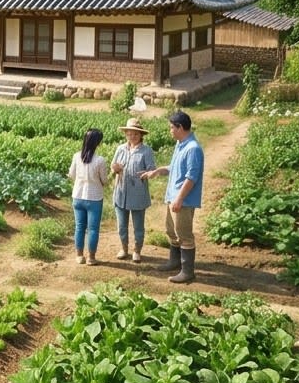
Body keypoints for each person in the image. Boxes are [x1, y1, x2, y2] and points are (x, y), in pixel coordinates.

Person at [140, 111, 204, 283]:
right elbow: (175, 166)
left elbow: (192, 177)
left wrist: (180, 198)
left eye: (171, 127)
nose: (170, 131)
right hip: (173, 196)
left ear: (180, 127)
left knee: (184, 234)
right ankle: (174, 262)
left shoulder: (193, 149)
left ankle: (187, 271)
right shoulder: (180, 144)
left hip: (183, 200)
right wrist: (158, 171)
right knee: (171, 231)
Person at [110, 118, 156, 263]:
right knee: (121, 225)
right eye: (129, 134)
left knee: (138, 226)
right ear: (126, 134)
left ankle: (137, 250)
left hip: (138, 192)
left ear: (141, 135)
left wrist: (146, 174)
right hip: (121, 191)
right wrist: (115, 169)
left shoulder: (146, 151)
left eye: (135, 134)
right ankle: (124, 248)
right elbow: (113, 166)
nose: (132, 137)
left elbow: (151, 169)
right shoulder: (120, 149)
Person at [68, 128, 108, 266]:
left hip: (78, 195)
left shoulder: (76, 156)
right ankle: (91, 257)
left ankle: (79, 256)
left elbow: (71, 175)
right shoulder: (100, 160)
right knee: (93, 229)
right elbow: (104, 180)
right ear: (97, 143)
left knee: (79, 227)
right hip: (94, 197)